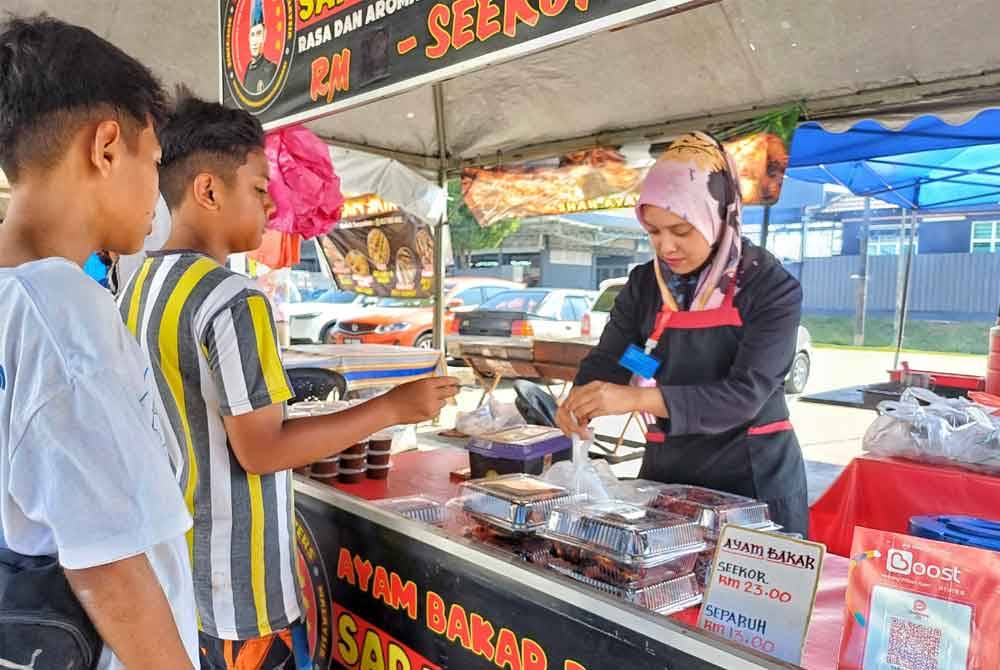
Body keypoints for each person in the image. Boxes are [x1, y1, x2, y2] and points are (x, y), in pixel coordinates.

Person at [118, 93, 459, 670]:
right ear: (208, 190)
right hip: (238, 590)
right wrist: (393, 407)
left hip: (175, 572)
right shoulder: (234, 299)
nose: (272, 206)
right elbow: (261, 450)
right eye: (257, 188)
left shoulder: (139, 285)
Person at [0, 16, 198, 669]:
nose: (157, 196)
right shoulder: (59, 310)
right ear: (107, 146)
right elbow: (112, 568)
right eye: (155, 162)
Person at [556, 132, 809, 536]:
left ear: (717, 214)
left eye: (681, 230)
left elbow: (745, 394)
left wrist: (634, 398)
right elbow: (619, 355)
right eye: (654, 231)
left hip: (752, 479)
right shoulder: (645, 285)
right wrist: (583, 396)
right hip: (666, 474)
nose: (666, 246)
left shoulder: (770, 288)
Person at [244, 0, 277, 94]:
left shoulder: (270, 68)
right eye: (252, 35)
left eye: (258, 34)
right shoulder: (248, 69)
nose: (254, 41)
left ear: (264, 36)